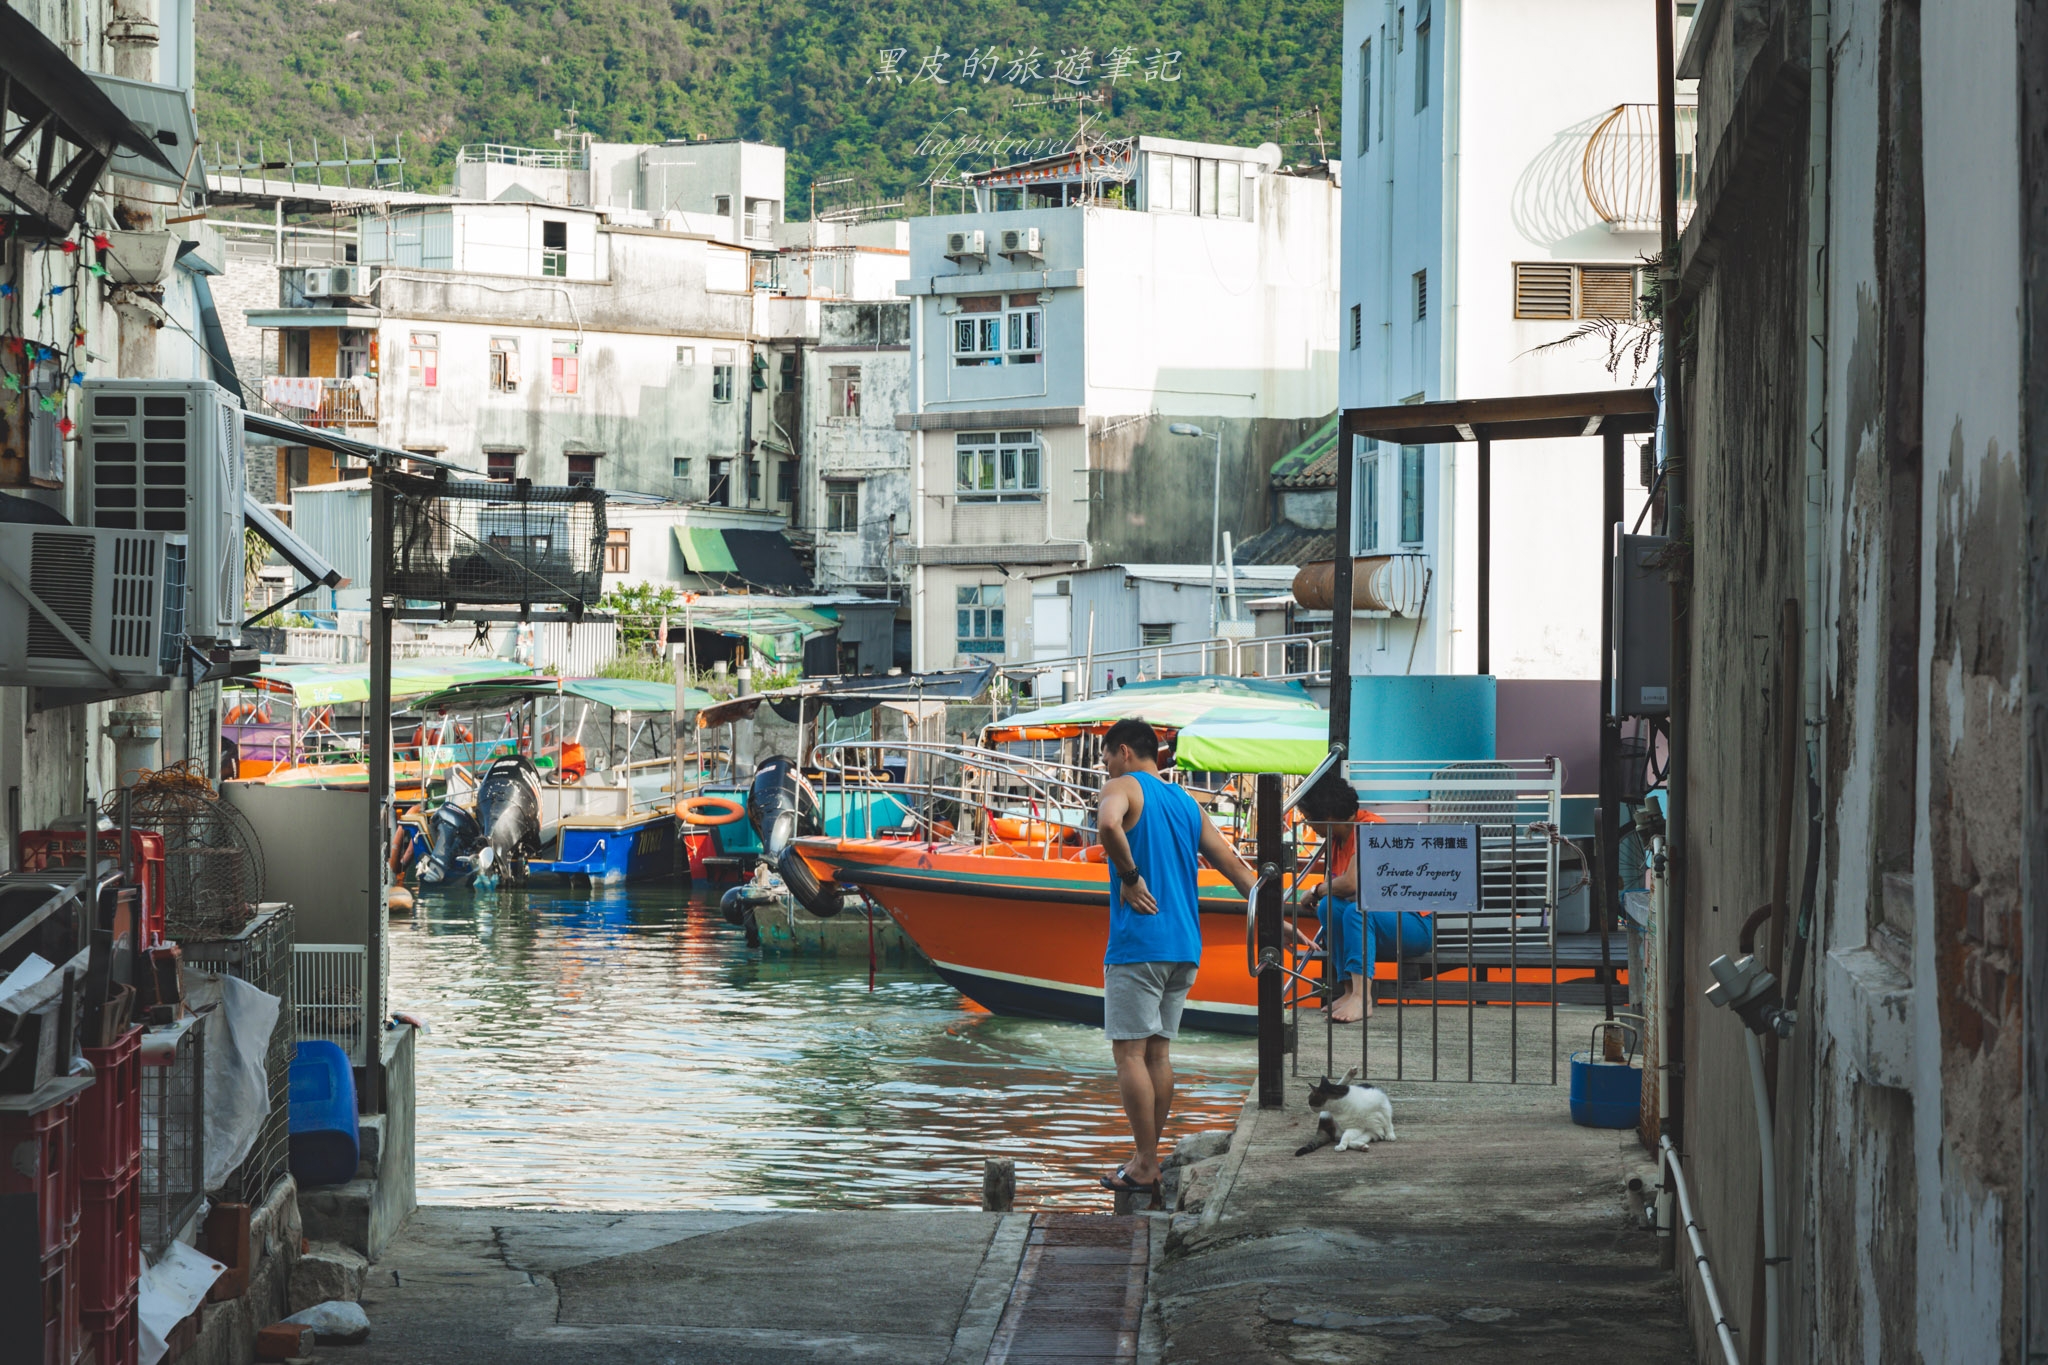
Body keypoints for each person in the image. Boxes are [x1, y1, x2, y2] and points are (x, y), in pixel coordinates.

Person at [1093, 717, 1257, 1195]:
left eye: (1105, 757)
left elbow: (1107, 825)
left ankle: (1145, 1163)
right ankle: (1148, 1159)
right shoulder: (1186, 803)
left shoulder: (1120, 786)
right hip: (1185, 946)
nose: (1104, 767)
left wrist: (1129, 877)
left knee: (1129, 1054)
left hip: (1139, 943)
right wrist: (1277, 923)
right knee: (1159, 1053)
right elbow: (1238, 871)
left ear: (1124, 752)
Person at [1297, 773, 1433, 1022]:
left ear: (1326, 816)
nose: (1310, 827)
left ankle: (1363, 999)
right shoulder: (1338, 839)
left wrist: (1315, 890)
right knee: (1329, 907)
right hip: (1377, 923)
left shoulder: (1371, 828)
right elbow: (1337, 890)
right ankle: (1349, 992)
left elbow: (1350, 884)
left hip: (1414, 924)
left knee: (1356, 910)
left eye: (1308, 820)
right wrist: (1323, 894)